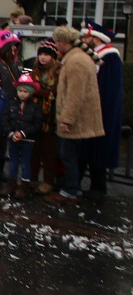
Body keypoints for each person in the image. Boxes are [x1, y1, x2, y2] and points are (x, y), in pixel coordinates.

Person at [45, 26, 104, 206]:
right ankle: (73, 189)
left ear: (63, 43)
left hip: (75, 120)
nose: (55, 45)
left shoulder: (76, 61)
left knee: (67, 155)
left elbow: (75, 94)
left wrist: (67, 119)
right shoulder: (77, 57)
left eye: (56, 42)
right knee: (69, 154)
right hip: (78, 118)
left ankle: (70, 191)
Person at [79, 21, 123, 201]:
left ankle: (98, 187)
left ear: (95, 38)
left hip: (103, 111)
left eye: (85, 37)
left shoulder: (110, 57)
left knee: (99, 149)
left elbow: (107, 89)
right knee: (90, 149)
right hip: (94, 110)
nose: (82, 40)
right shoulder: (96, 55)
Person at [0, 29, 22, 193]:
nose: (14, 50)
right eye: (12, 47)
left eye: (16, 47)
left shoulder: (12, 64)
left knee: (3, 140)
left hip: (10, 106)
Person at [28, 40, 62, 194]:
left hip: (50, 117)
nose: (42, 57)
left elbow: (53, 93)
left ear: (53, 57)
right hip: (34, 115)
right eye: (41, 54)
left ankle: (48, 181)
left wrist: (38, 90)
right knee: (34, 150)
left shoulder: (57, 72)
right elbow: (28, 88)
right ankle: (32, 179)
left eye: (46, 55)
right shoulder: (34, 71)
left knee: (49, 151)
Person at [4, 74, 43, 200]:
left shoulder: (35, 106)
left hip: (28, 140)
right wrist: (11, 133)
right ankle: (11, 183)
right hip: (13, 138)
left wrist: (23, 133)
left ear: (30, 92)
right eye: (20, 91)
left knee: (26, 163)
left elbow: (37, 123)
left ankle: (24, 186)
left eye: (25, 91)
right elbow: (6, 120)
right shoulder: (12, 104)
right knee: (13, 161)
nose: (22, 94)